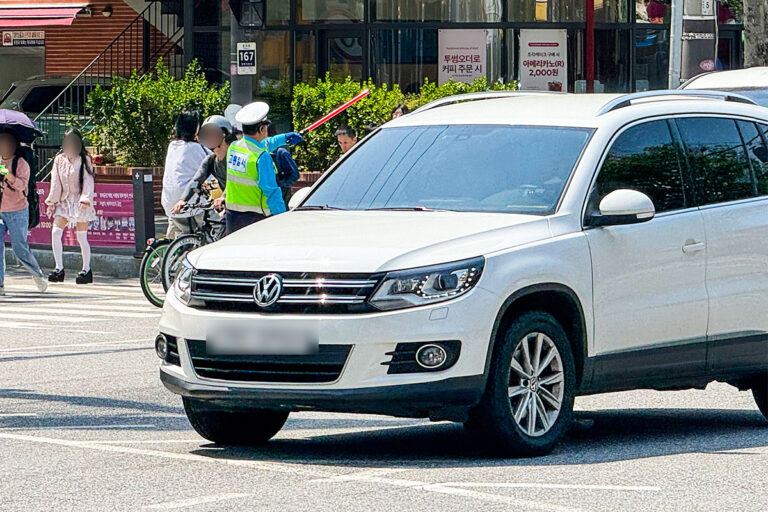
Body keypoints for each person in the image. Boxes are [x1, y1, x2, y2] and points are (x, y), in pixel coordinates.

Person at [224, 101, 302, 234]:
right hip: (255, 219)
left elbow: (262, 144)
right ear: (261, 129)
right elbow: (272, 192)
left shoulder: (234, 147)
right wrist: (282, 218)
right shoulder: (262, 157)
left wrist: (284, 138)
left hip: (232, 216)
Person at [45, 128, 97, 284]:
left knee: (81, 237)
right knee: (55, 232)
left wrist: (85, 199)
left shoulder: (85, 159)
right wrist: (52, 201)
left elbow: (89, 180)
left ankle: (86, 269)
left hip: (80, 201)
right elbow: (55, 181)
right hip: (64, 201)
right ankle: (58, 268)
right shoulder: (59, 159)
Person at [0, 129, 46, 295]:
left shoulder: (20, 163)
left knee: (20, 247)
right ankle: (0, 284)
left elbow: (21, 186)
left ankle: (37, 274)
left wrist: (7, 175)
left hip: (17, 210)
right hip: (0, 210)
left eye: (6, 143)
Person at [172, 115, 234, 215]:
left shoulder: (234, 158)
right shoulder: (211, 160)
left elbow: (234, 181)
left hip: (243, 207)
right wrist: (183, 200)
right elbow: (196, 180)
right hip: (227, 204)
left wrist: (223, 197)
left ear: (224, 134)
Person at [160, 111, 209, 238]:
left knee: (175, 233)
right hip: (187, 202)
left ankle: (168, 251)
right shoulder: (196, 148)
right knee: (207, 226)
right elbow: (211, 163)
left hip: (169, 201)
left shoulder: (172, 146)